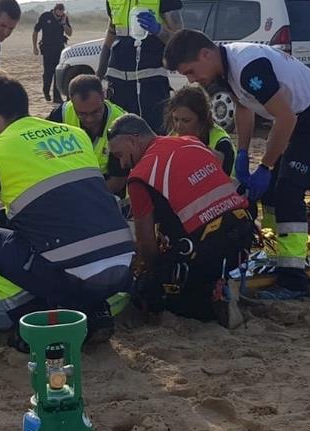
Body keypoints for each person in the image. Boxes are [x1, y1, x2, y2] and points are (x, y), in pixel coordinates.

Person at [0, 77, 135, 347]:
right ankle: (96, 312)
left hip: (73, 276)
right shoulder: (74, 135)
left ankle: (33, 322)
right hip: (122, 265)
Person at [164, 29, 310, 300]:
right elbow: (244, 108)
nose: (192, 80)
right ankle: (275, 251)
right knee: (268, 194)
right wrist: (243, 152)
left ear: (205, 54)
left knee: (288, 191)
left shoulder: (247, 66)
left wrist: (265, 167)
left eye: (191, 71)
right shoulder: (223, 69)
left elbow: (287, 119)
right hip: (290, 115)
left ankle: (293, 280)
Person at [107, 115, 252, 327]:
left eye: (119, 155)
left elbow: (146, 243)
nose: (122, 163)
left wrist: (150, 273)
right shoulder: (191, 142)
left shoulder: (140, 176)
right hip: (242, 236)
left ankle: (214, 298)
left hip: (206, 251)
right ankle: (225, 284)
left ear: (133, 139)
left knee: (147, 293)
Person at [98, 0, 183, 133]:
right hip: (118, 82)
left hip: (151, 82)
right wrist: (98, 75)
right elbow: (111, 34)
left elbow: (180, 40)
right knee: (118, 134)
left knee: (154, 134)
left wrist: (159, 30)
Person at [47, 74, 128, 194]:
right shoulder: (62, 114)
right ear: (71, 101)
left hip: (106, 190)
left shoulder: (121, 123)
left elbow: (118, 181)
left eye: (95, 112)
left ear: (103, 96)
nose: (89, 119)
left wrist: (85, 199)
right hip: (70, 184)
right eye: (82, 114)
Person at [164, 85, 235, 175]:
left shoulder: (222, 143)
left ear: (202, 119)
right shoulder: (173, 136)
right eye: (176, 119)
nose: (179, 126)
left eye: (186, 121)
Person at [33, 3, 73, 103]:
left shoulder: (64, 18)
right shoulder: (45, 16)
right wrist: (34, 47)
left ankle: (57, 97)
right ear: (54, 10)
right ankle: (46, 90)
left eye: (61, 13)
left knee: (57, 72)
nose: (59, 15)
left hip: (59, 49)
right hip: (47, 49)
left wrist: (63, 23)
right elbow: (35, 31)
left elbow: (70, 33)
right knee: (48, 72)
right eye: (58, 13)